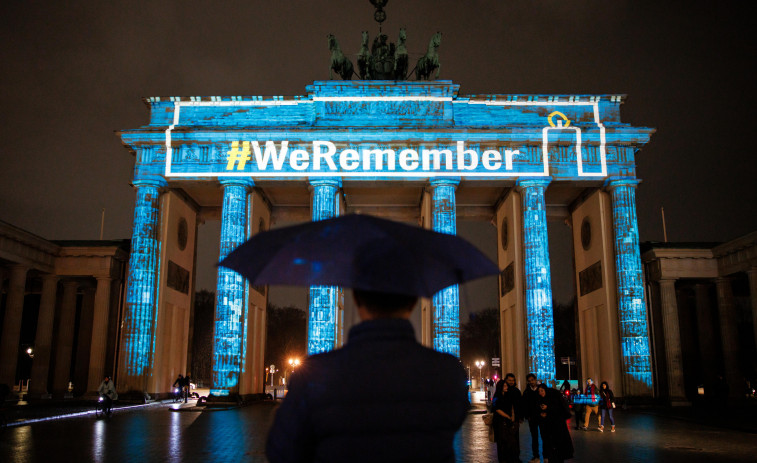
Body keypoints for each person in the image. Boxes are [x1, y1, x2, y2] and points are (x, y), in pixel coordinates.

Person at [265, 290, 469, 463]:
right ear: (415, 301)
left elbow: (281, 452)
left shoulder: (313, 375)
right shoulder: (448, 372)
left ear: (355, 298)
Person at [536, 383, 574, 463]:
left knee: (558, 449)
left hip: (557, 428)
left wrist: (548, 409)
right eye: (539, 391)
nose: (540, 393)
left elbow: (558, 410)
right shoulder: (541, 399)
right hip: (549, 429)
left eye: (542, 391)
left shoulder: (553, 399)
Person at [491, 379, 519, 463]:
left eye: (507, 385)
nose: (507, 387)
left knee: (509, 442)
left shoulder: (508, 395)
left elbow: (512, 406)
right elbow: (496, 409)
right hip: (499, 422)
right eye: (505, 386)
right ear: (501, 387)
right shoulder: (497, 397)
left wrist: (512, 415)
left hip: (508, 422)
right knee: (501, 443)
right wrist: (507, 416)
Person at [522, 373, 542, 463]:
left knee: (545, 436)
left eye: (532, 380)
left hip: (541, 417)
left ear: (535, 379)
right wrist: (527, 416)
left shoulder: (541, 390)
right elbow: (525, 405)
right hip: (532, 418)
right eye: (529, 381)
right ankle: (536, 456)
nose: (531, 382)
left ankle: (546, 456)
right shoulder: (526, 392)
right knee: (534, 437)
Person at [503, 373, 522, 459]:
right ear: (506, 380)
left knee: (515, 438)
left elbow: (519, 405)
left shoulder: (516, 391)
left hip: (515, 419)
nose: (511, 382)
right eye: (509, 380)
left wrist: (519, 417)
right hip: (505, 418)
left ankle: (515, 456)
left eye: (512, 380)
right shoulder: (504, 391)